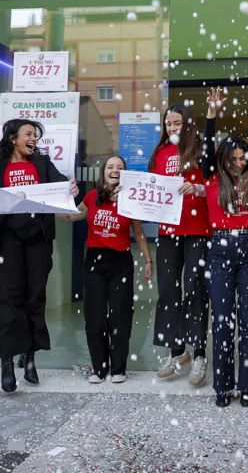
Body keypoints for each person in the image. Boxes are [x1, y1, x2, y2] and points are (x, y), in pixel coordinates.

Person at [0, 119, 79, 393]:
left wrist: (71, 188)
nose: (33, 138)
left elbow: (60, 186)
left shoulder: (43, 163)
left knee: (35, 297)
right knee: (9, 299)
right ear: (12, 138)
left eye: (35, 135)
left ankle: (31, 357)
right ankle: (7, 362)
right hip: (6, 240)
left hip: (38, 239)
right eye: (28, 134)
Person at [202, 85, 248, 407]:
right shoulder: (212, 177)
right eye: (232, 159)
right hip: (219, 251)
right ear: (223, 159)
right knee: (221, 321)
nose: (238, 164)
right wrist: (212, 115)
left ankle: (247, 386)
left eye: (242, 159)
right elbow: (207, 147)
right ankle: (222, 387)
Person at [60, 156, 152, 384]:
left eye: (120, 167)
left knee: (120, 318)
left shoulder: (130, 200)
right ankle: (99, 369)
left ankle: (118, 368)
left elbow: (139, 233)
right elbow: (72, 215)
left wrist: (149, 260)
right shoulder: (92, 197)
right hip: (94, 263)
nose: (115, 170)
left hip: (121, 263)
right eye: (110, 167)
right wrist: (46, 206)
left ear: (125, 174)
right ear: (103, 173)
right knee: (95, 319)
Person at [148, 104, 210, 386]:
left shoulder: (200, 150)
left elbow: (217, 185)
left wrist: (196, 188)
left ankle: (199, 354)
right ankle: (175, 351)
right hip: (167, 230)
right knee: (167, 290)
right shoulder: (159, 153)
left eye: (177, 123)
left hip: (198, 230)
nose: (172, 128)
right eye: (168, 123)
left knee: (195, 289)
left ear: (187, 124)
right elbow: (150, 187)